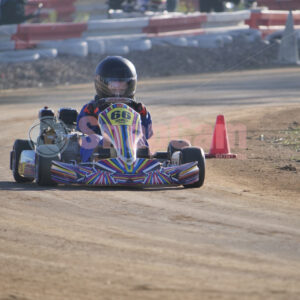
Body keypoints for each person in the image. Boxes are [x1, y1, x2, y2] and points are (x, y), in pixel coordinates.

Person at [76, 56, 153, 162]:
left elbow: (147, 133)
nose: (117, 94)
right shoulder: (91, 108)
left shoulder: (137, 108)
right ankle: (91, 165)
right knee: (93, 139)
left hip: (129, 147)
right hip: (101, 152)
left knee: (139, 140)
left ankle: (141, 164)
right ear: (102, 86)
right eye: (113, 89)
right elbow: (83, 132)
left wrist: (143, 115)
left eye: (121, 89)